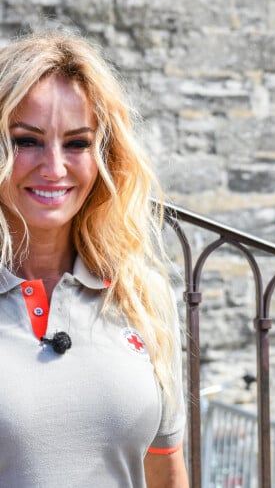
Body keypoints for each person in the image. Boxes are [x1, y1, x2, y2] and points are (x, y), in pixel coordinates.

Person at [0, 30, 188, 487]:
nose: (55, 167)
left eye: (78, 143)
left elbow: (166, 475)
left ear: (105, 155)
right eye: (26, 140)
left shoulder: (143, 297)